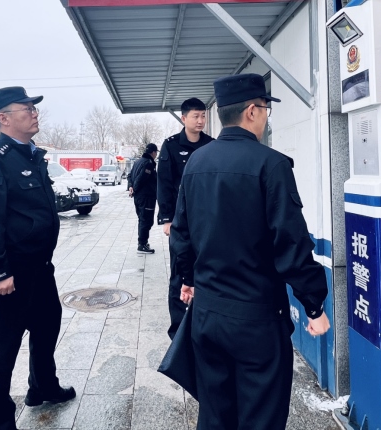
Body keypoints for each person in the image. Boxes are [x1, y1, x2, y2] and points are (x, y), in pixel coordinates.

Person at [170, 74, 331, 430]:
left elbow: (181, 234)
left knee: (215, 416)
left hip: (207, 315)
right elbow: (291, 243)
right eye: (265, 109)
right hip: (256, 319)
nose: (266, 117)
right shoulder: (271, 164)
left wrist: (188, 278)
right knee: (261, 417)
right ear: (253, 111)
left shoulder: (196, 163)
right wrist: (314, 305)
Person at [0, 86, 75, 430]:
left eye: (34, 108)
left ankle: (42, 388)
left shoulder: (32, 155)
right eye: (26, 109)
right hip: (10, 274)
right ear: (4, 118)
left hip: (39, 269)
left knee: (47, 328)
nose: (34, 113)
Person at [157, 97, 214, 339]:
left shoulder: (211, 145)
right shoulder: (170, 146)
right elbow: (164, 183)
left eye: (203, 116)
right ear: (184, 118)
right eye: (195, 116)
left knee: (208, 272)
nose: (200, 120)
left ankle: (205, 327)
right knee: (180, 275)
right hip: (181, 222)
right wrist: (167, 219)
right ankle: (178, 333)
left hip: (207, 222)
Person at [129, 143, 159, 253]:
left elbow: (130, 176)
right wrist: (135, 189)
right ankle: (142, 244)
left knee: (142, 219)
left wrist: (131, 187)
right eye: (156, 153)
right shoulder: (148, 163)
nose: (156, 155)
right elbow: (141, 178)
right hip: (146, 197)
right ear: (153, 152)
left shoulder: (138, 162)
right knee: (146, 220)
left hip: (139, 197)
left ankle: (142, 242)